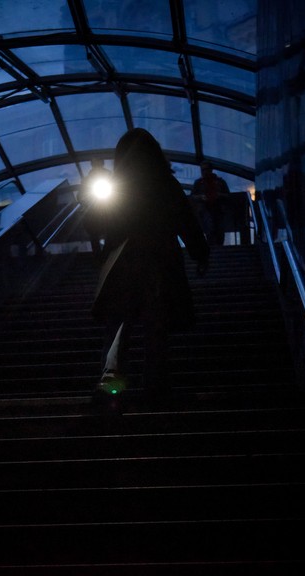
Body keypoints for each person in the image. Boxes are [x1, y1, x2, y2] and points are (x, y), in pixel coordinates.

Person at [90, 129, 209, 409]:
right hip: (160, 262)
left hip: (123, 264)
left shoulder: (118, 184)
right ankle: (154, 386)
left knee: (120, 325)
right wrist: (200, 253)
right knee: (156, 325)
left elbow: (96, 223)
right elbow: (186, 221)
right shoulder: (165, 183)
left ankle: (112, 385)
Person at [79, 158, 113, 260]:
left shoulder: (86, 179)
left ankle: (99, 258)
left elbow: (80, 196)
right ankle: (107, 256)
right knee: (109, 232)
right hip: (107, 210)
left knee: (94, 236)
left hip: (92, 213)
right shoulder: (109, 176)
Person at [191, 160, 231, 245]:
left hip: (218, 209)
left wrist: (219, 195)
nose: (204, 172)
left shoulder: (220, 182)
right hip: (205, 209)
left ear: (211, 170)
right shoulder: (199, 183)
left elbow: (228, 195)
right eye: (203, 170)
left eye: (206, 169)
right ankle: (213, 248)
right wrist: (201, 197)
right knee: (210, 229)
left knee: (218, 230)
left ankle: (216, 248)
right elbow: (193, 196)